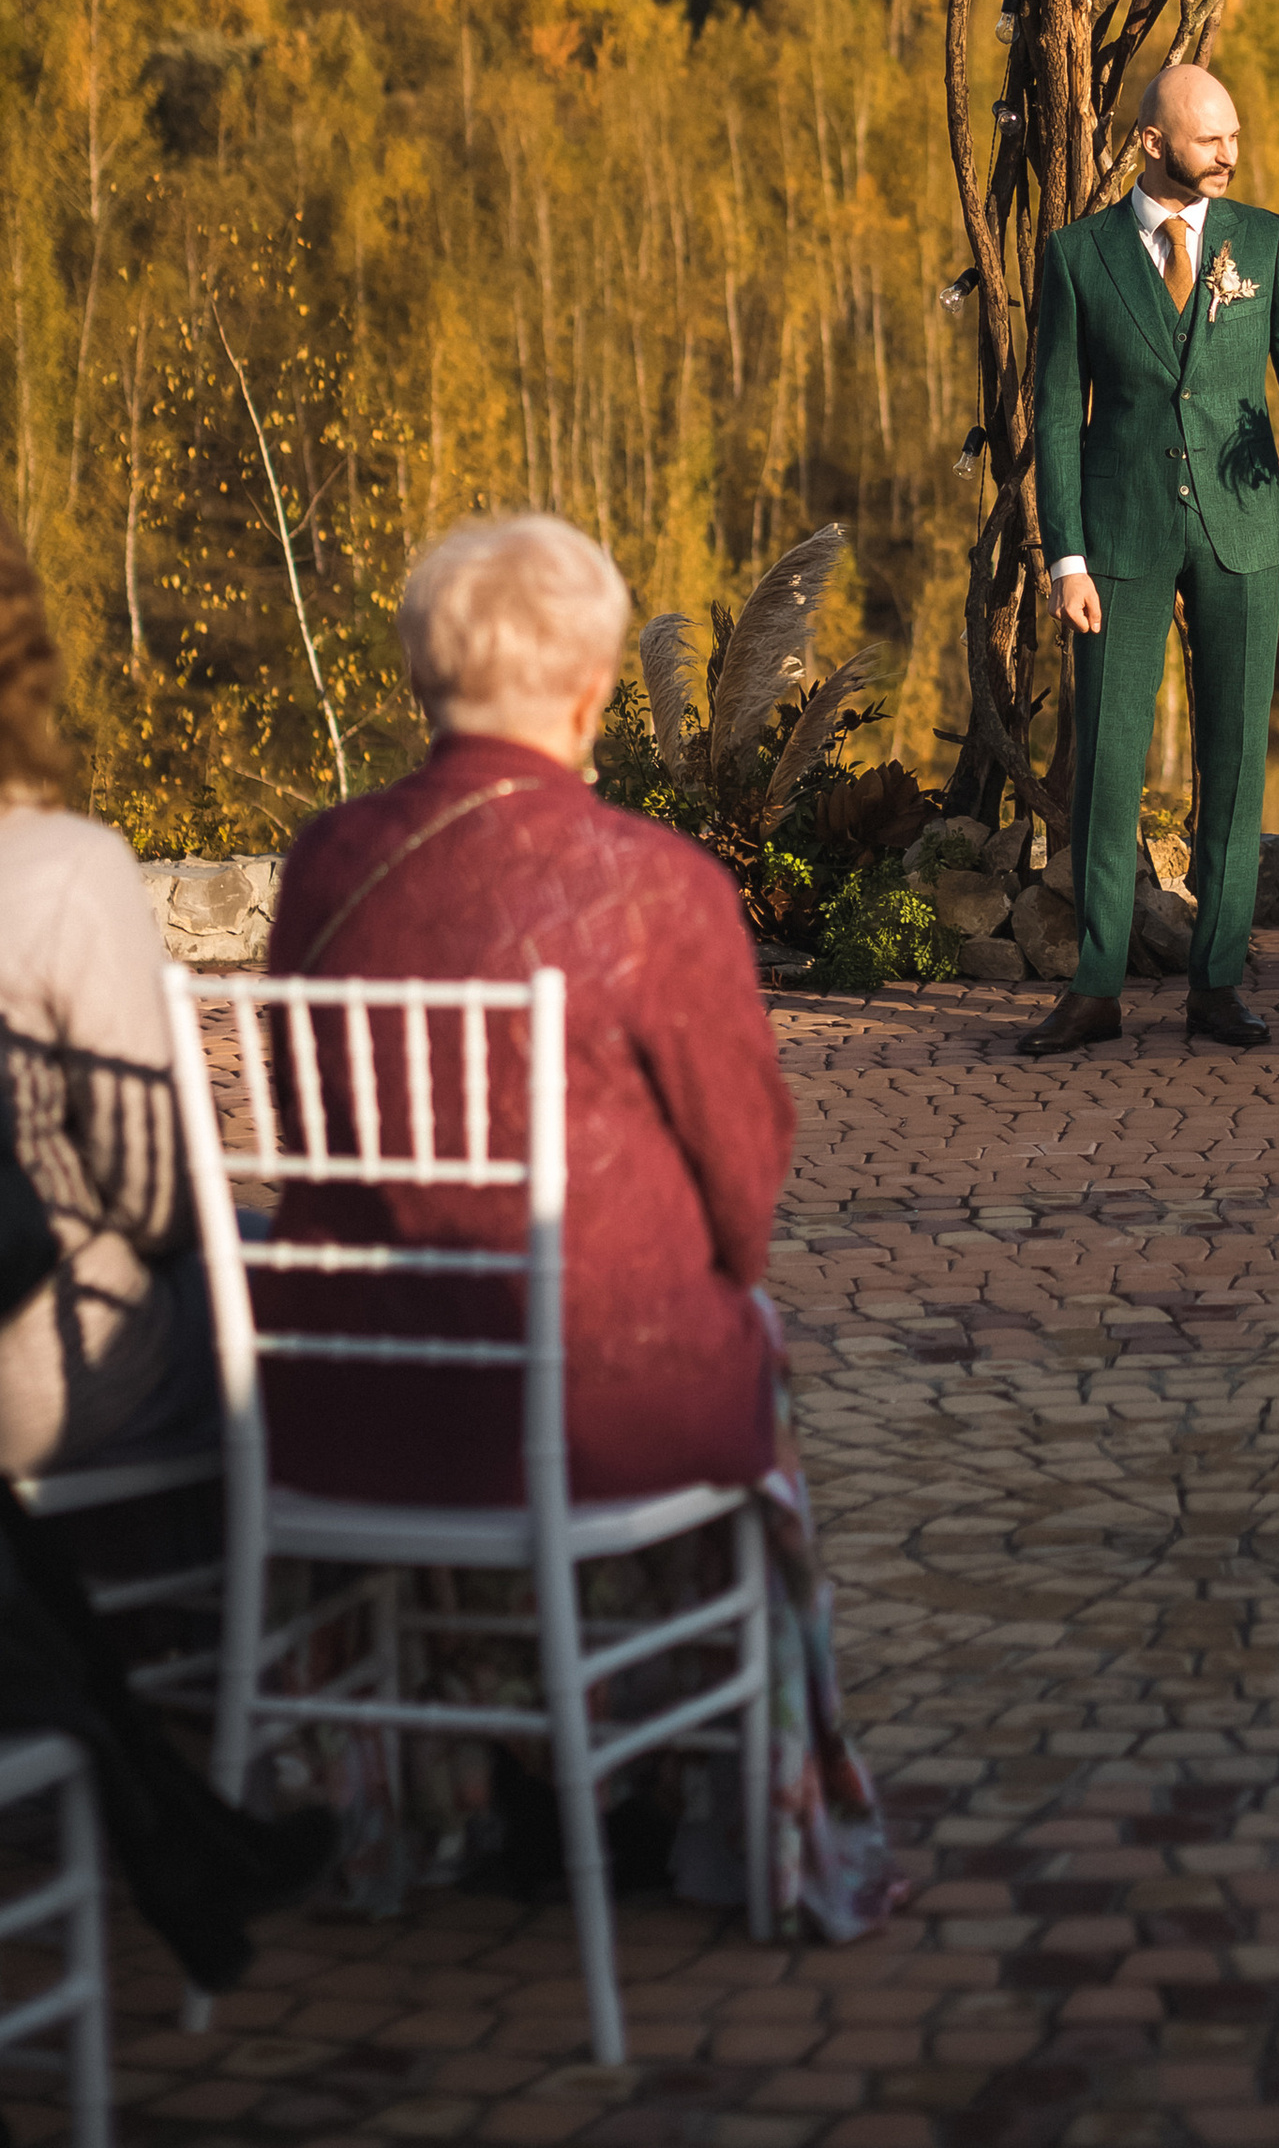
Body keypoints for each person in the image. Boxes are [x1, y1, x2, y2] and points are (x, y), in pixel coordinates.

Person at [265, 513, 798, 1507]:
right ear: (592, 693)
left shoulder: (323, 863)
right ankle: (700, 1653)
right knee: (757, 1339)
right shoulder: (658, 886)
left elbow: (311, 1119)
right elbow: (744, 1179)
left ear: (425, 678)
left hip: (349, 1397)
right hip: (595, 1410)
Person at [1028, 62, 1279, 1061]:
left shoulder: (1265, 244)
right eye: (1207, 137)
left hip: (1243, 531)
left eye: (1234, 133)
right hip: (1121, 539)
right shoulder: (1077, 255)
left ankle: (1217, 983)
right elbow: (1057, 413)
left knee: (1232, 761)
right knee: (1108, 761)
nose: (1230, 151)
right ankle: (1094, 988)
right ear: (1150, 143)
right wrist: (1067, 557)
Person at [0, 517, 217, 1480]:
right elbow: (158, 1194)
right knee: (274, 1290)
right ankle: (290, 1607)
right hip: (36, 1364)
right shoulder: (61, 873)